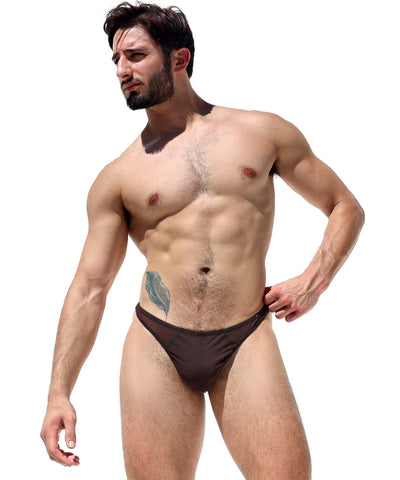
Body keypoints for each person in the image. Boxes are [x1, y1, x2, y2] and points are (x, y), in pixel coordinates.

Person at [40, 2, 364, 479]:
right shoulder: (118, 177)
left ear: (180, 58)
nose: (122, 70)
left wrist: (313, 281)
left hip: (244, 336)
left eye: (135, 55)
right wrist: (58, 393)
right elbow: (90, 287)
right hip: (157, 342)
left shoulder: (262, 132)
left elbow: (345, 206)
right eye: (116, 60)